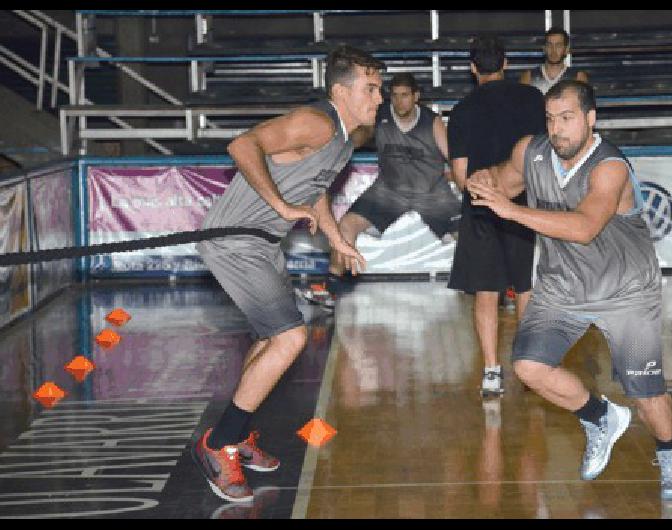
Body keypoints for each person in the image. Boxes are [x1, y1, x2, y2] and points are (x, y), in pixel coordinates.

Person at [466, 79, 672, 500]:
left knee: (646, 395)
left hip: (625, 291)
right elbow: (503, 180)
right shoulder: (530, 151)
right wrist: (483, 180)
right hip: (562, 287)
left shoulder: (609, 167)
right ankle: (600, 416)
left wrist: (511, 211)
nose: (558, 129)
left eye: (568, 119)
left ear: (591, 119)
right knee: (529, 367)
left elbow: (585, 228)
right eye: (551, 119)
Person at [192, 45, 384, 502]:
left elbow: (314, 188)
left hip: (262, 243)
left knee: (269, 338)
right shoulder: (317, 122)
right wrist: (280, 205)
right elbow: (242, 145)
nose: (378, 98)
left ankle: (235, 433)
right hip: (235, 239)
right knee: (290, 338)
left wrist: (336, 238)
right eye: (370, 89)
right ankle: (218, 445)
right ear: (341, 90)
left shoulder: (342, 138)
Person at [305, 72, 461, 309]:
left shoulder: (432, 121)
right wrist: (344, 137)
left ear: (416, 96)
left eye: (405, 96)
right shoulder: (380, 115)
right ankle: (331, 289)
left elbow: (453, 156)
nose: (400, 102)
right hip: (390, 190)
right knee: (346, 225)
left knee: (471, 234)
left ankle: (497, 289)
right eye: (395, 96)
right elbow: (360, 135)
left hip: (430, 190)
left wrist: (458, 180)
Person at [446, 35, 546, 397]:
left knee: (486, 292)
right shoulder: (534, 99)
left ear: (473, 69)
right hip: (524, 204)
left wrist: (484, 192)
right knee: (525, 287)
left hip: (482, 206)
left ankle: (491, 371)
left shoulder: (461, 110)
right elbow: (544, 153)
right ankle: (533, 365)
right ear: (506, 63)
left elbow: (460, 173)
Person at [520, 27, 588, 94]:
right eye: (549, 45)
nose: (553, 51)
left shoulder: (578, 77)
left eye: (558, 46)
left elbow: (585, 104)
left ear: (567, 49)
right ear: (544, 48)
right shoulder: (528, 77)